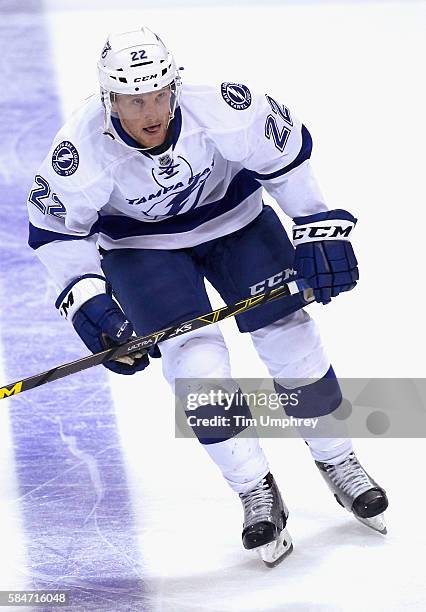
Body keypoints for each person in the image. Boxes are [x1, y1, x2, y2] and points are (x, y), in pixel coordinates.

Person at [27, 27, 388, 567]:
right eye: (133, 100)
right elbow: (56, 233)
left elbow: (285, 156)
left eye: (159, 95)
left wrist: (317, 224)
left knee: (290, 337)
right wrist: (91, 305)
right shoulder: (77, 153)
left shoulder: (225, 106)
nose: (151, 112)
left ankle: (338, 459)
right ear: (109, 101)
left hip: (237, 223)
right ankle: (253, 488)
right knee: (197, 369)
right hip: (143, 250)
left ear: (175, 87)